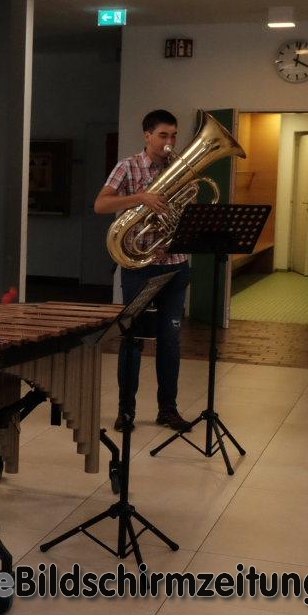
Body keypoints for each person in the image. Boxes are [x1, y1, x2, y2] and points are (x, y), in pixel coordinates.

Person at [94, 109, 193, 433]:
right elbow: (101, 204)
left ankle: (168, 409)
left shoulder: (180, 168)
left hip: (175, 265)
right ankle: (126, 411)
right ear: (147, 135)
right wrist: (140, 198)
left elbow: (187, 209)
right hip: (139, 267)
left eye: (173, 135)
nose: (169, 142)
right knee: (132, 339)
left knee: (170, 340)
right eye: (163, 135)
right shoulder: (128, 166)